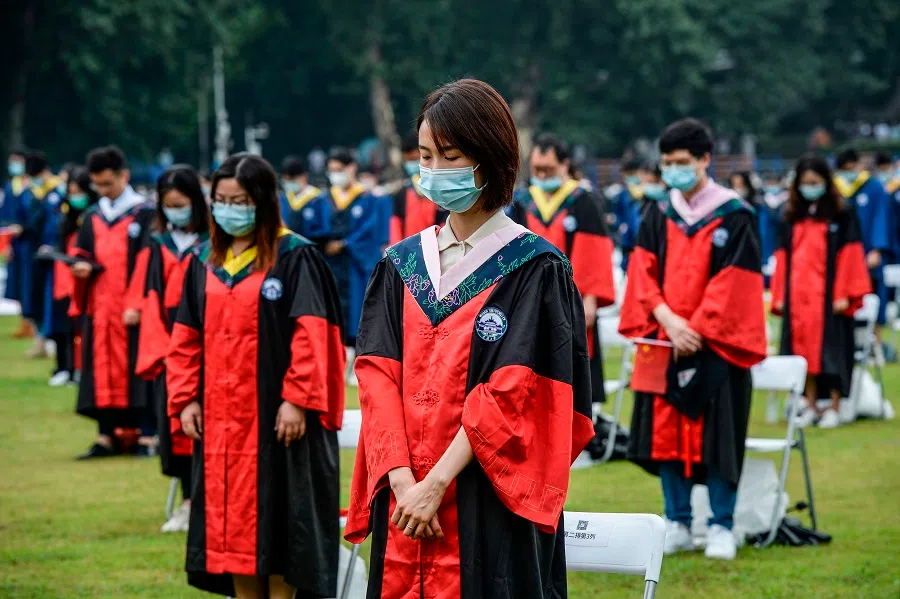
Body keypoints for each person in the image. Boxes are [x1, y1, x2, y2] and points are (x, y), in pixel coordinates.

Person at [345, 78, 595, 598]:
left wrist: (436, 485)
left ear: (489, 158)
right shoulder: (401, 265)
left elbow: (515, 390)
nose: (433, 171)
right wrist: (403, 483)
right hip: (405, 496)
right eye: (425, 156)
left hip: (485, 501)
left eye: (450, 155)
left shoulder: (534, 268)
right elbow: (375, 376)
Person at [166, 153, 345, 598]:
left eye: (240, 200)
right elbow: (185, 337)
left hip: (278, 422)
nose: (229, 209)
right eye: (221, 200)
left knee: (282, 527)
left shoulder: (295, 256)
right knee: (234, 534)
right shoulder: (204, 260)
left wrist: (298, 399)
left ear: (263, 201)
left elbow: (313, 333)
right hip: (224, 424)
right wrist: (186, 397)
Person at [619, 118, 767, 561]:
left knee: (718, 434)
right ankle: (678, 521)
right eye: (666, 164)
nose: (672, 172)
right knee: (666, 435)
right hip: (667, 340)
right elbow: (641, 271)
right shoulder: (658, 211)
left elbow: (734, 282)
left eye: (681, 163)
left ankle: (722, 525)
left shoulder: (736, 215)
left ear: (705, 160)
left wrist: (695, 328)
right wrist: (668, 321)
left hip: (715, 345)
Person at [132, 165, 210, 533]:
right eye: (168, 204)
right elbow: (150, 297)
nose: (175, 210)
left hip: (209, 339)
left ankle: (205, 501)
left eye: (181, 203)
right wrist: (162, 349)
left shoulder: (214, 239)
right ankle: (187, 502)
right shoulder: (158, 242)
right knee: (175, 423)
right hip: (169, 343)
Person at [771, 154, 871, 429]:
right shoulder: (790, 215)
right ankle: (810, 403)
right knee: (801, 351)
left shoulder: (842, 213)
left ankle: (835, 405)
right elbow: (782, 257)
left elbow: (850, 255)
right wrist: (780, 294)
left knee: (832, 350)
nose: (810, 186)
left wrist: (844, 293)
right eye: (805, 182)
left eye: (815, 182)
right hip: (799, 296)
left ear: (826, 182)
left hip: (829, 296)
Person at [70, 145, 156, 459]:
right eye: (98, 185)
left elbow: (149, 263)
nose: (103, 191)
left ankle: (146, 435)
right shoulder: (93, 216)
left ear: (124, 176)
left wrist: (137, 303)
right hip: (101, 306)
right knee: (101, 369)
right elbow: (83, 252)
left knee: (137, 368)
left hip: (133, 307)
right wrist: (81, 267)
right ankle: (106, 435)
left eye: (108, 183)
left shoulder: (144, 213)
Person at [516, 132, 616, 405]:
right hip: (530, 299)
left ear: (564, 165)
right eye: (537, 169)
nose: (542, 175)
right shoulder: (524, 202)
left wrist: (591, 298)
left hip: (573, 302)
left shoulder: (583, 201)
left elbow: (594, 252)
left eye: (548, 169)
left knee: (571, 375)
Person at [304, 148, 383, 379]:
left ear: (352, 168)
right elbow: (312, 230)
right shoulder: (323, 200)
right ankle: (333, 359)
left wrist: (345, 243)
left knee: (359, 310)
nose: (335, 175)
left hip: (354, 265)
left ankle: (358, 361)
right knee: (331, 307)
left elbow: (370, 231)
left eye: (339, 170)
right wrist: (326, 242)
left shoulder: (367, 200)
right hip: (329, 264)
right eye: (332, 171)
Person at [834, 148, 895, 332]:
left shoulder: (875, 187)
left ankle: (875, 339)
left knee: (874, 295)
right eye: (846, 168)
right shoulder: (836, 188)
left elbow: (881, 218)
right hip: (843, 255)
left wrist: (877, 249)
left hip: (869, 252)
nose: (850, 172)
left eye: (852, 167)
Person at [47, 168, 98, 386]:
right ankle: (64, 367)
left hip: (86, 280)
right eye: (71, 192)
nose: (74, 196)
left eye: (78, 191)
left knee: (82, 328)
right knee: (63, 326)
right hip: (63, 279)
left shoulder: (95, 217)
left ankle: (80, 368)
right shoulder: (66, 217)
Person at [18, 152, 61, 359]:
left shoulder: (56, 191)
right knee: (32, 296)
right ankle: (40, 339)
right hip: (33, 252)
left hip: (51, 252)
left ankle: (49, 340)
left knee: (49, 296)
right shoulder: (33, 191)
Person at [2, 147, 37, 340]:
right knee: (18, 282)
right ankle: (24, 321)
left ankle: (32, 321)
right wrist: (6, 243)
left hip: (30, 240)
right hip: (15, 242)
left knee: (30, 281)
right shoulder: (11, 186)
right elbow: (5, 218)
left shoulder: (32, 186)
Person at [390, 130, 448, 244]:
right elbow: (396, 230)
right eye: (407, 161)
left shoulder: (442, 189)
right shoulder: (402, 194)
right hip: (412, 253)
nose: (411, 164)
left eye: (414, 159)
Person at [614, 158, 647, 271]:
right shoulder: (623, 195)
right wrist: (620, 225)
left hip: (645, 243)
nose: (630, 178)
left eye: (632, 174)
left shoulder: (648, 193)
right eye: (627, 175)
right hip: (628, 243)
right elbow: (618, 214)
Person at [278, 155, 319, 235]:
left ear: (304, 176)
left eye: (292, 179)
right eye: (286, 180)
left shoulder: (317, 198)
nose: (289, 183)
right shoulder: (283, 198)